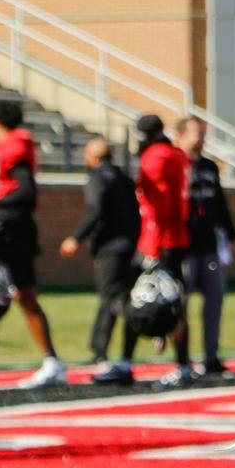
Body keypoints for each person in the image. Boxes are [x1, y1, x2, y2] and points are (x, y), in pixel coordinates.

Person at [93, 114, 192, 386]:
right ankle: (180, 364)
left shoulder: (157, 157)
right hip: (174, 240)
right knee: (171, 302)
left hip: (157, 243)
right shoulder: (176, 155)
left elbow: (159, 206)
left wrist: (152, 249)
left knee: (141, 300)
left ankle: (129, 362)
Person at [0, 100, 65, 386]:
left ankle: (51, 360)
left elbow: (26, 192)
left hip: (12, 230)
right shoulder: (6, 148)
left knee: (19, 295)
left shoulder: (14, 147)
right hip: (4, 228)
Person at [59, 138, 140, 363]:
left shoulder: (97, 178)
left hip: (110, 248)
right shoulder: (125, 179)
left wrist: (75, 238)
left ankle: (101, 349)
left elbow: (95, 210)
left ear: (93, 157)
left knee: (112, 298)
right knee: (118, 296)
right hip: (128, 246)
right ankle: (104, 347)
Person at [177, 115, 235, 375]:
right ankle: (182, 360)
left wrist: (230, 232)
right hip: (183, 248)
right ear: (181, 135)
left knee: (214, 301)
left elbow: (219, 202)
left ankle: (210, 356)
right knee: (179, 304)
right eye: (195, 133)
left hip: (209, 246)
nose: (201, 139)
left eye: (203, 134)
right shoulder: (174, 164)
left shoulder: (209, 167)